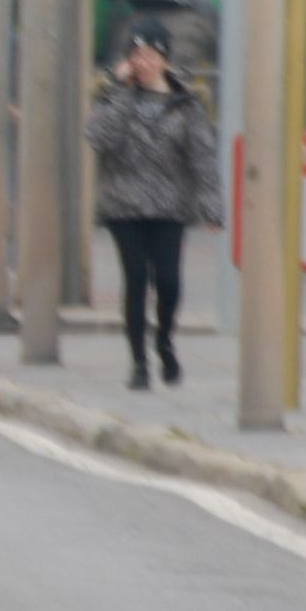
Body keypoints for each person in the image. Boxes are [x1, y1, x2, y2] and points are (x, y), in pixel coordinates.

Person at [87, 27, 219, 388]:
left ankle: (164, 340)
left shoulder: (187, 102)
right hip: (124, 204)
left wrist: (211, 205)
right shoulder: (113, 97)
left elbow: (202, 157)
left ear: (164, 59)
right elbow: (99, 138)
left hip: (169, 205)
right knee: (136, 280)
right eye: (136, 54)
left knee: (168, 280)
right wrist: (120, 91)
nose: (143, 61)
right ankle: (139, 363)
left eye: (150, 54)